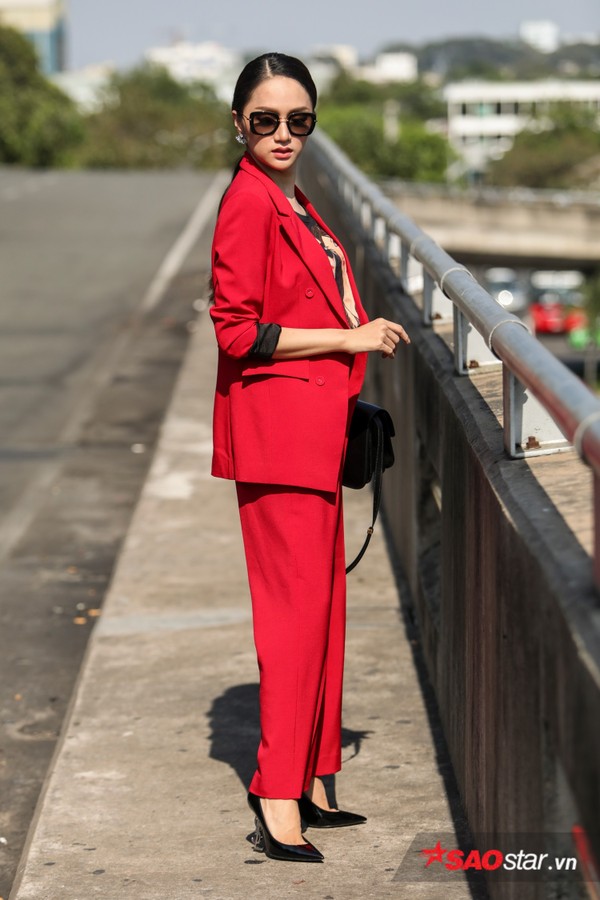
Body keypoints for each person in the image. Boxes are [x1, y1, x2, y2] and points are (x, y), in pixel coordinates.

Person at [209, 52, 410, 863]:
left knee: (324, 612)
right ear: (239, 124)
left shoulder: (293, 197)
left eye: (299, 119)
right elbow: (236, 331)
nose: (283, 133)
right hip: (276, 442)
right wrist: (347, 338)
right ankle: (276, 793)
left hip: (313, 434)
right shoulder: (247, 202)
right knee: (293, 623)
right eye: (266, 120)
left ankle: (316, 776)